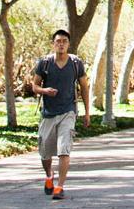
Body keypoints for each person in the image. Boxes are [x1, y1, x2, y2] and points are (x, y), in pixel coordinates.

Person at [32, 30, 91, 201]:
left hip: (68, 112)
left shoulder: (75, 63)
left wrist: (87, 113)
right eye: (58, 41)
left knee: (64, 150)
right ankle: (49, 176)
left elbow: (84, 88)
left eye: (64, 41)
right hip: (48, 113)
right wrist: (45, 91)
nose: (61, 44)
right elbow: (34, 86)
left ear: (68, 44)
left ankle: (60, 186)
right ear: (53, 44)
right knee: (45, 153)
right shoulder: (44, 63)